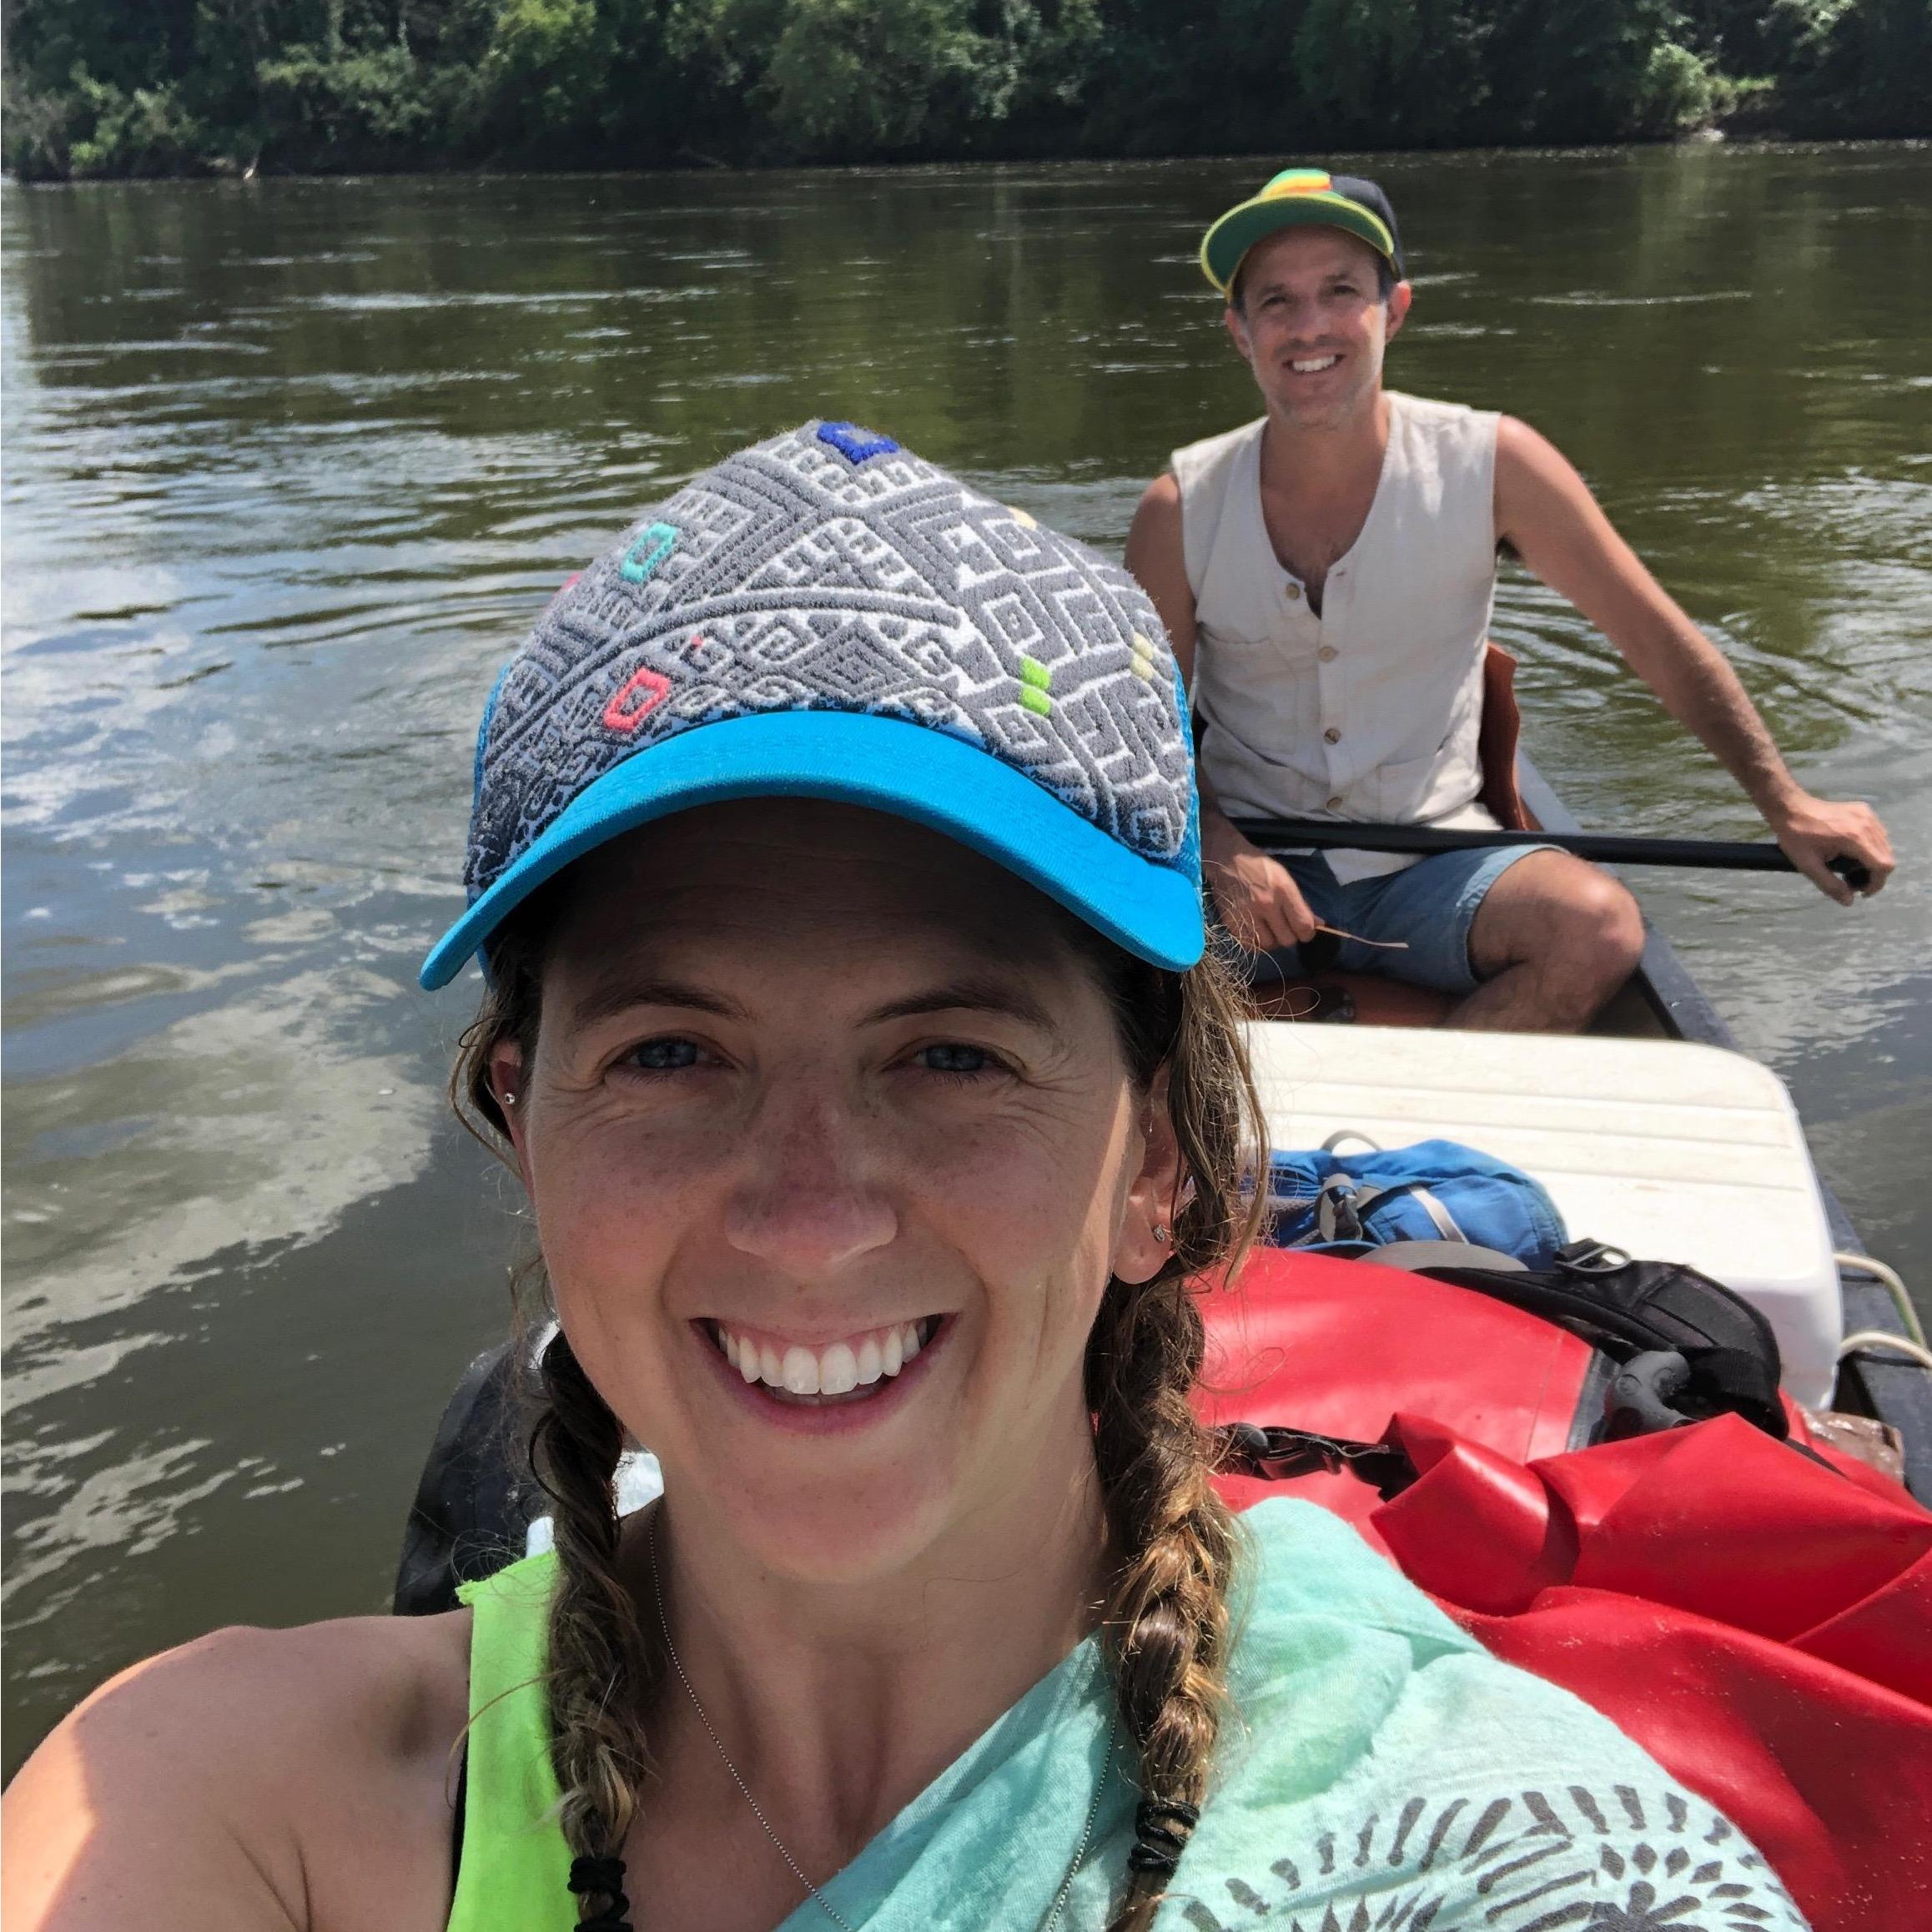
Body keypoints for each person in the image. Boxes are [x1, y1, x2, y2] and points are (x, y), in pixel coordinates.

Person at [3, 425, 1810, 1932]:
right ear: (522, 1123)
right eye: (670, 1055)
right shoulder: (220, 1803)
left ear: (1157, 1168)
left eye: (952, 1056)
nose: (811, 1214)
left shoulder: (1458, 1834)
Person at [1125, 168, 1894, 1031]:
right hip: (1242, 866)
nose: (1309, 327)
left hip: (1434, 861)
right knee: (1090, 965)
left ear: (1395, 309)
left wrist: (1784, 802)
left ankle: (1422, 1124)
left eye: (1340, 291)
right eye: (1276, 301)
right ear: (1239, 331)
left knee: (1598, 930)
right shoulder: (1179, 507)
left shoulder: (1498, 465)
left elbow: (1655, 639)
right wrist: (1221, 847)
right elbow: (1137, 730)